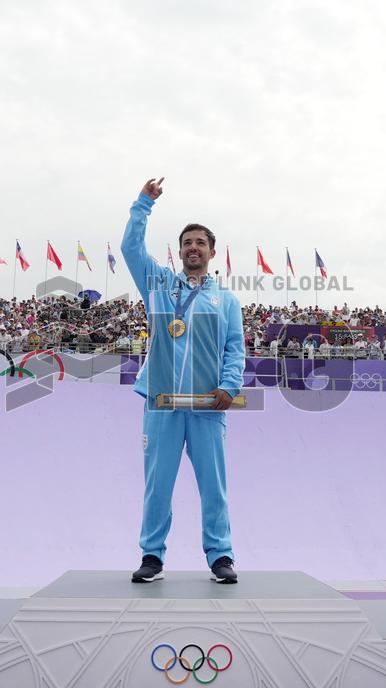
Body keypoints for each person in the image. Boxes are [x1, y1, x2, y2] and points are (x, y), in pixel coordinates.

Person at [121, 177, 245, 585]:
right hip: (161, 401)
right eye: (187, 243)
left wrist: (229, 386)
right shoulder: (157, 284)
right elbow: (131, 249)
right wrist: (143, 204)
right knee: (157, 486)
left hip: (208, 405)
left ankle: (220, 554)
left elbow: (234, 348)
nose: (193, 248)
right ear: (180, 251)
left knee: (214, 487)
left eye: (200, 243)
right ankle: (152, 556)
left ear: (212, 253)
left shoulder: (226, 300)